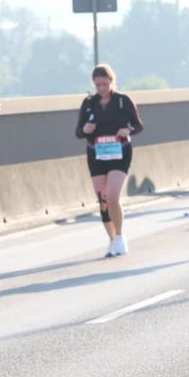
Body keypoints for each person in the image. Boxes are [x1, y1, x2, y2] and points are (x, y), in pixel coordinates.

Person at [75, 64, 144, 258]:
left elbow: (138, 125)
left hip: (119, 152)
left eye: (105, 84)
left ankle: (120, 236)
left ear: (112, 82)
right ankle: (112, 240)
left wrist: (128, 130)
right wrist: (85, 130)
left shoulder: (123, 101)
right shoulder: (89, 103)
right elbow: (78, 132)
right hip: (96, 154)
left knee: (113, 196)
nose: (102, 88)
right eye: (98, 85)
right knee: (103, 200)